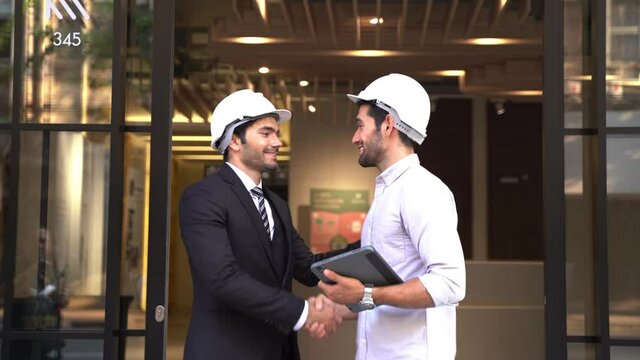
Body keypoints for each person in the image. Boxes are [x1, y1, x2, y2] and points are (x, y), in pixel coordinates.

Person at [179, 89, 355, 360]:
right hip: (225, 352)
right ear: (235, 140)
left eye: (276, 133)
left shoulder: (277, 205)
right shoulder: (203, 198)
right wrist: (305, 312)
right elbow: (222, 278)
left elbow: (309, 267)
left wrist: (370, 243)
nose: (277, 141)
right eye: (266, 133)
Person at [317, 73, 466, 360]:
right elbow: (390, 286)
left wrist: (365, 294)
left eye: (360, 126)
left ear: (387, 124)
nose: (355, 137)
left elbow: (450, 283)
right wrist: (341, 306)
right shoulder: (391, 192)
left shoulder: (422, 190)